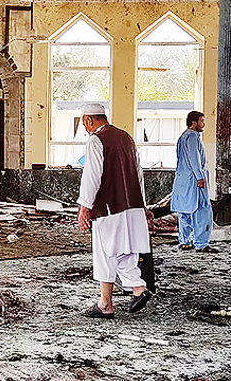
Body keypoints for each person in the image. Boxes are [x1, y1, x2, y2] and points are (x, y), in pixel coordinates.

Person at [77, 104, 152, 318]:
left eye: (83, 123)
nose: (84, 127)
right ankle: (135, 290)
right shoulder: (126, 137)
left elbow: (92, 176)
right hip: (132, 205)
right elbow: (139, 173)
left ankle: (107, 303)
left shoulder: (96, 140)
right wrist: (143, 204)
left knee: (106, 253)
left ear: (89, 120)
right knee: (125, 252)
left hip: (110, 207)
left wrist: (85, 206)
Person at [171, 111, 216, 253]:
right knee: (202, 211)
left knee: (184, 211)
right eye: (202, 121)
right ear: (194, 123)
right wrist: (200, 177)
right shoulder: (192, 137)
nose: (204, 124)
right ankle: (201, 243)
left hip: (183, 180)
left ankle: (185, 242)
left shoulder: (182, 137)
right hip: (194, 180)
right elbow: (194, 159)